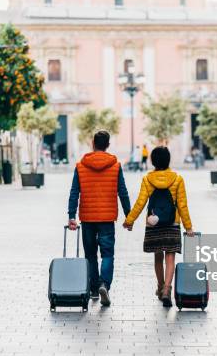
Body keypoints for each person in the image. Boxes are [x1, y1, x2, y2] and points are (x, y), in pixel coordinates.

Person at [123, 146, 194, 307]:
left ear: (153, 161)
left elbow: (140, 203)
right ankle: (167, 289)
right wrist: (188, 227)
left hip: (153, 223)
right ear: (168, 160)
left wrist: (130, 220)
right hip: (172, 223)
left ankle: (160, 286)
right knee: (170, 257)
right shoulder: (177, 179)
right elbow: (182, 205)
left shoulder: (148, 179)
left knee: (158, 257)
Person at [67, 131, 131, 306]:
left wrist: (71, 216)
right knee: (108, 253)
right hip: (107, 218)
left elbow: (74, 192)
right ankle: (104, 284)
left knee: (90, 254)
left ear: (93, 143)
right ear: (108, 145)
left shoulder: (81, 166)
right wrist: (129, 216)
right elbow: (122, 192)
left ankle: (94, 288)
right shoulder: (115, 166)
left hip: (87, 217)